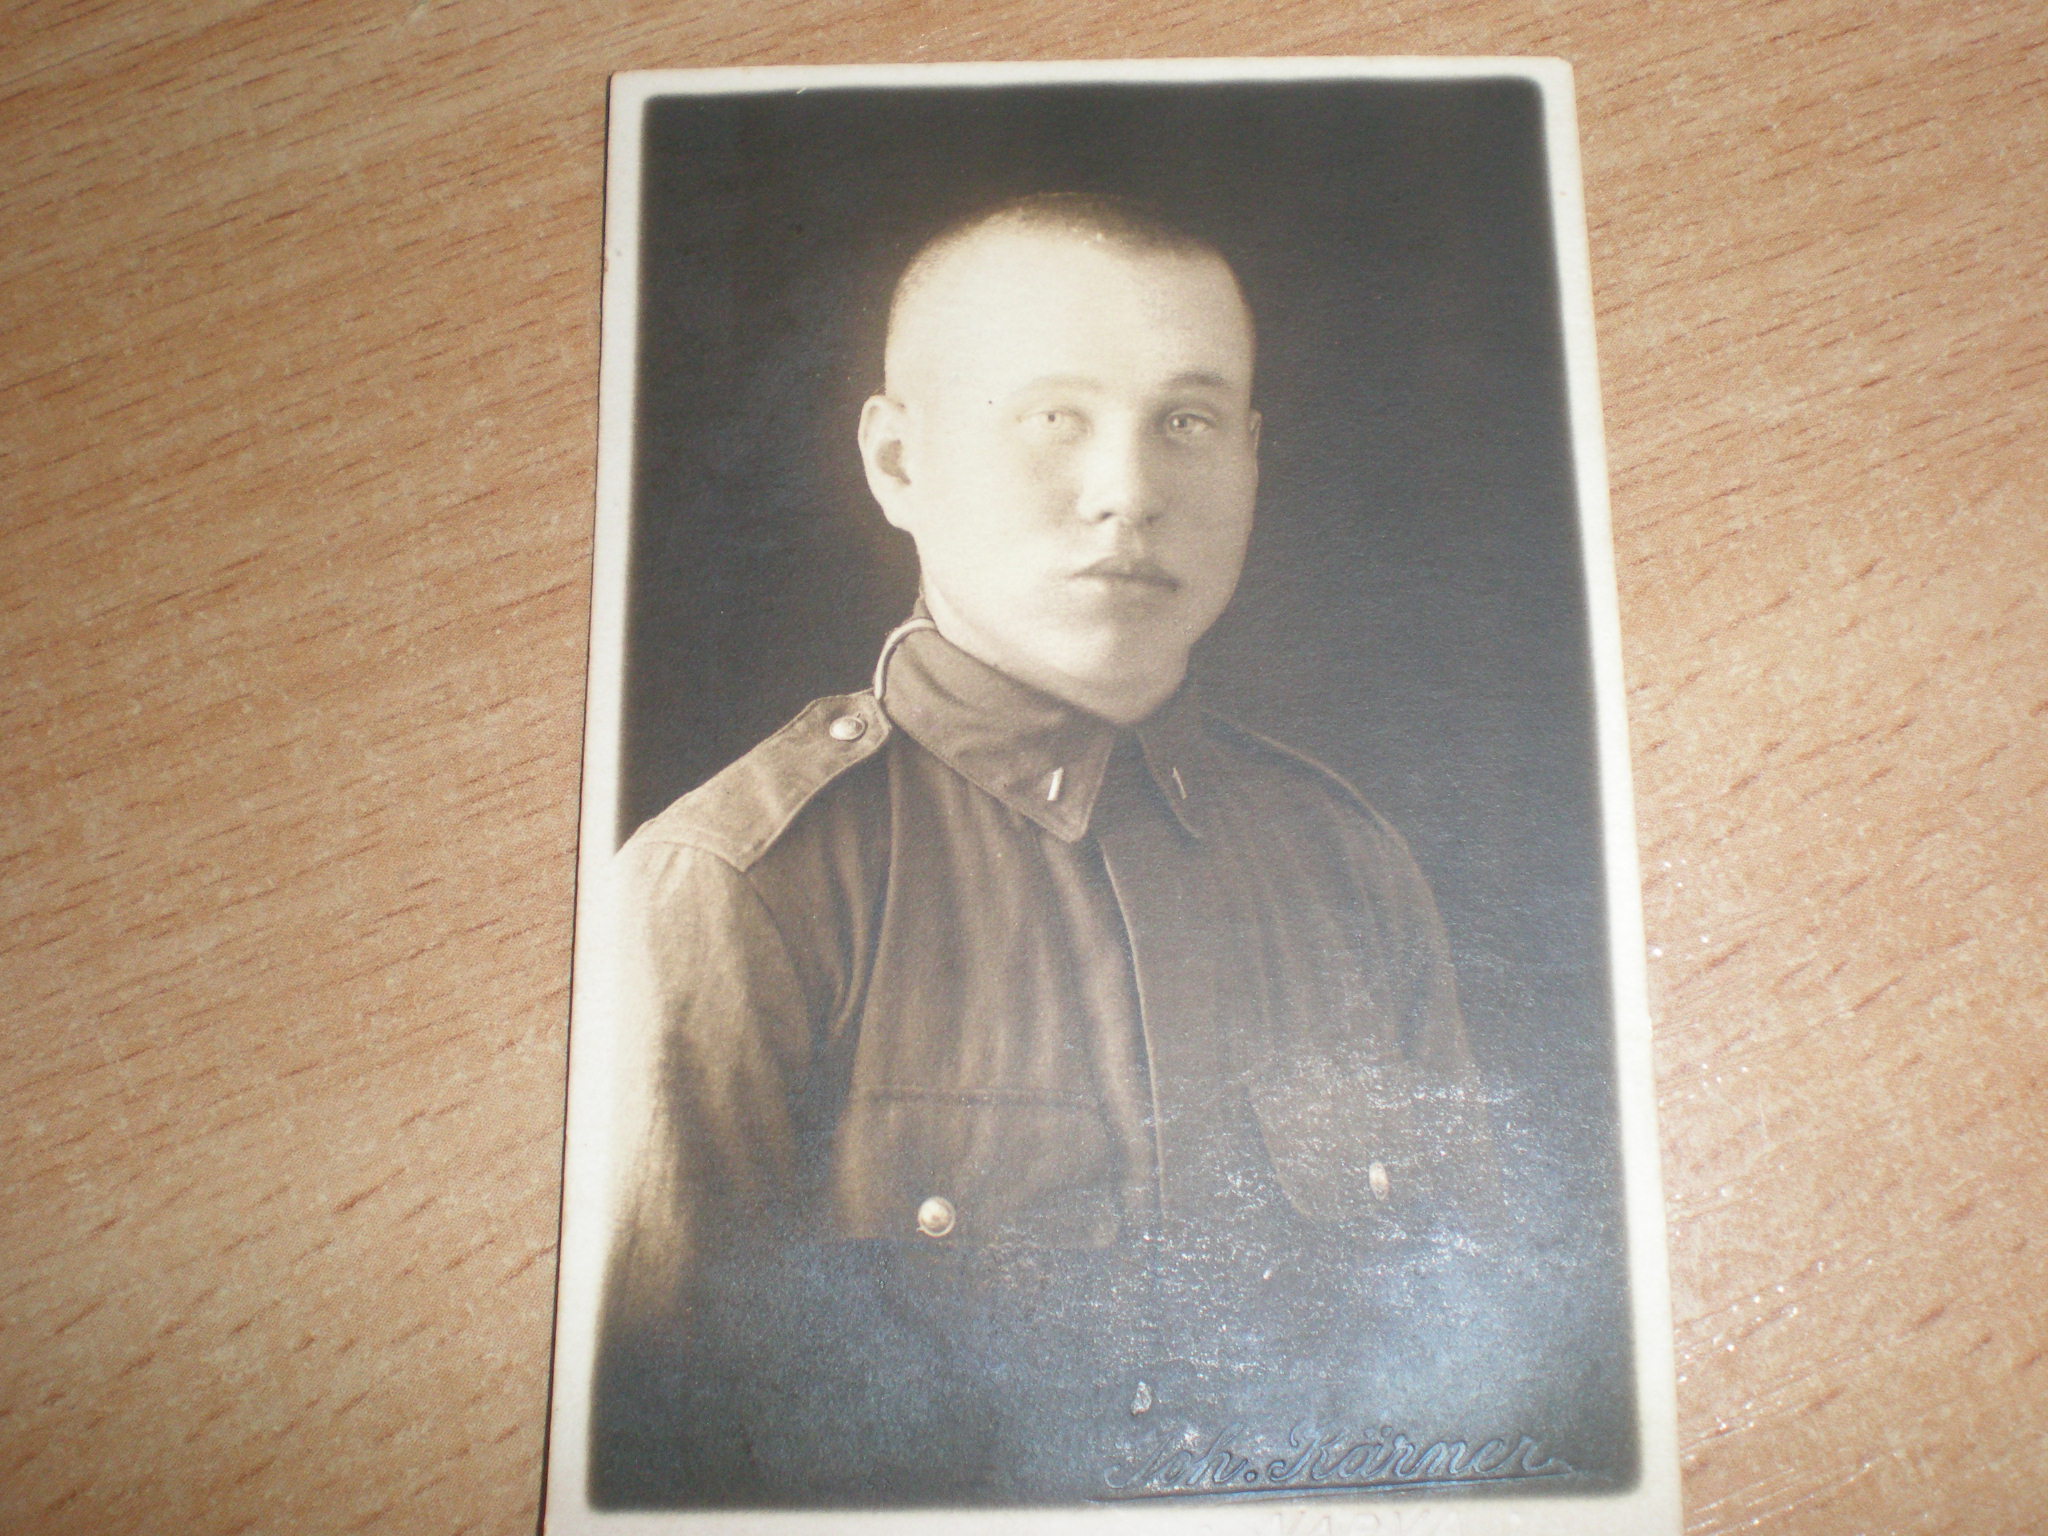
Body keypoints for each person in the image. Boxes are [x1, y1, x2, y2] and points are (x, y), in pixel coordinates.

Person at [587, 193, 1500, 1509]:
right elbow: (660, 1481)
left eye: (1187, 422)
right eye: (1055, 417)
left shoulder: (1350, 871)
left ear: (1250, 458)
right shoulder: (737, 888)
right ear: (898, 462)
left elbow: (1470, 1402)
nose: (1129, 492)